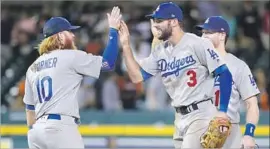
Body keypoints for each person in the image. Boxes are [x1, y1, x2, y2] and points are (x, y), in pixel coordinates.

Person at [118, 2, 233, 149]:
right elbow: (137, 77)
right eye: (154, 21)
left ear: (173, 22)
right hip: (179, 117)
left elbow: (224, 74)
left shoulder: (196, 43)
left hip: (200, 113)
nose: (155, 25)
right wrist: (126, 46)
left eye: (159, 21)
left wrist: (222, 111)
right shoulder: (160, 51)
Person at [23, 7, 122, 149]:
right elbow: (108, 63)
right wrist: (113, 31)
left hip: (36, 132)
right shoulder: (69, 56)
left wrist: (36, 132)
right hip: (60, 127)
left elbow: (30, 110)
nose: (73, 36)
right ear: (61, 36)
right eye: (69, 32)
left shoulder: (32, 67)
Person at [195, 16, 260, 149]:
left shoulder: (238, 65)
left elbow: (251, 104)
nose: (203, 37)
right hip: (197, 129)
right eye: (202, 33)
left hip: (228, 130)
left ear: (222, 35)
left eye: (208, 33)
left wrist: (249, 134)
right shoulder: (195, 64)